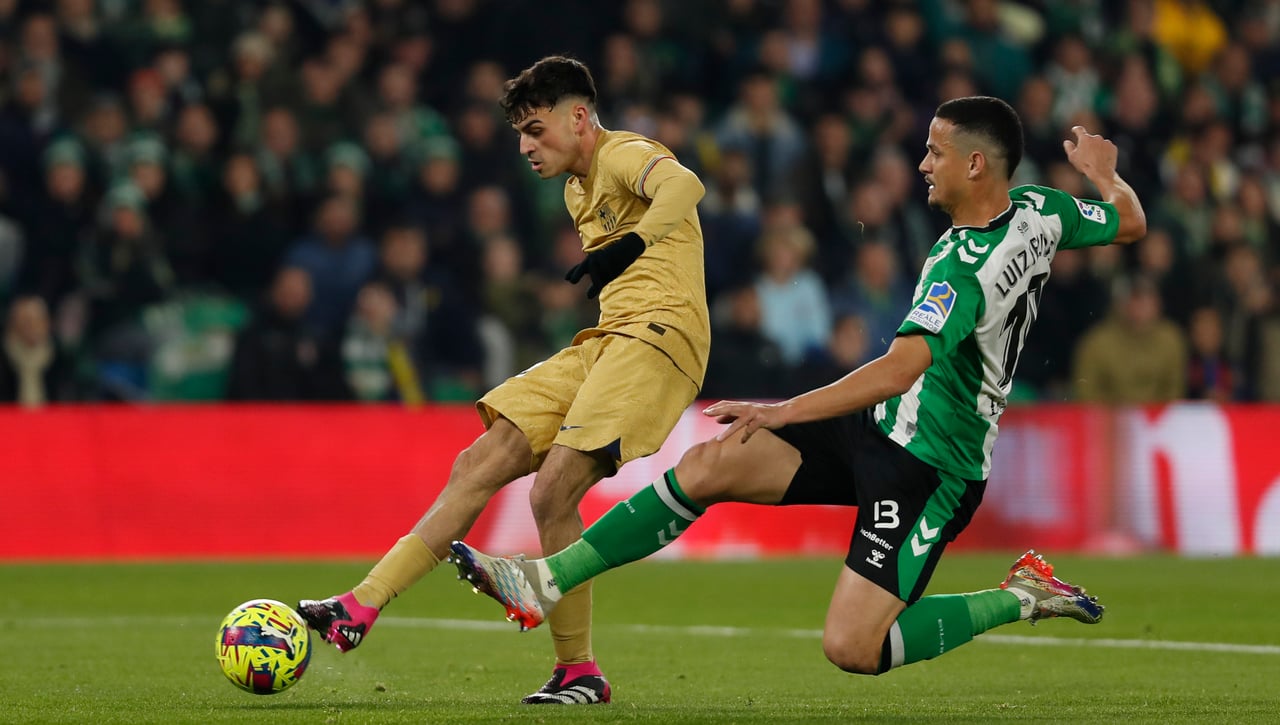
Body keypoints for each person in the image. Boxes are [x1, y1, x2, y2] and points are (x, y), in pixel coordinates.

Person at [450, 97, 1147, 680]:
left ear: (975, 164)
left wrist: (784, 409)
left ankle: (1021, 595)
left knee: (854, 647)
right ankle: (547, 579)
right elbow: (1130, 222)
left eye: (935, 152)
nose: (922, 164)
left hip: (932, 467)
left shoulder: (962, 268)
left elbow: (900, 367)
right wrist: (1106, 177)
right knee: (712, 463)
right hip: (882, 423)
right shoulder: (1042, 208)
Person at [297, 55, 710, 705]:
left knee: (554, 489)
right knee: (479, 460)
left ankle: (577, 666)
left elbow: (685, 186)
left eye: (536, 130)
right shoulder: (576, 190)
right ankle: (359, 604)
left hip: (661, 338)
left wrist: (634, 243)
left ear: (580, 117)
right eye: (520, 134)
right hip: (609, 340)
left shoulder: (625, 153)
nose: (525, 147)